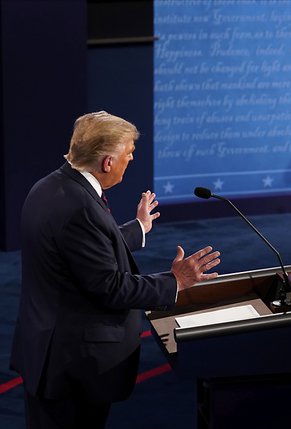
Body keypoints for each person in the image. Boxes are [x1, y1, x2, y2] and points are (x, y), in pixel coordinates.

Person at [10, 111, 221, 428]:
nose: (131, 160)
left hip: (49, 352)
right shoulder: (80, 207)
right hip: (73, 365)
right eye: (129, 155)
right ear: (108, 162)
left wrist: (138, 228)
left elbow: (83, 251)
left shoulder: (50, 187)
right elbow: (110, 287)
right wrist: (175, 281)